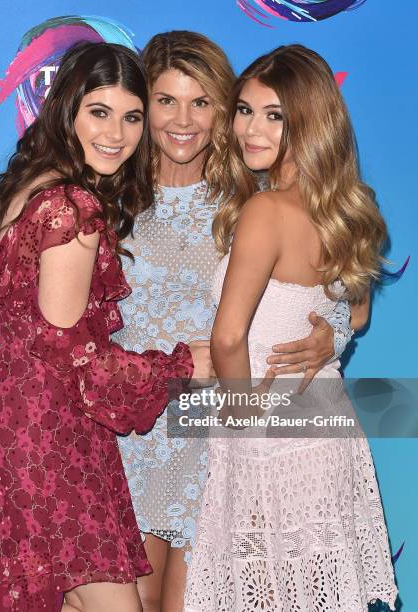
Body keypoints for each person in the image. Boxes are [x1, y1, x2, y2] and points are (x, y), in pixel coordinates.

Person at [0, 42, 213, 612]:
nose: (117, 134)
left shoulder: (32, 186)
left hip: (23, 428)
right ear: (68, 110)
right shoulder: (71, 208)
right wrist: (180, 366)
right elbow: (71, 354)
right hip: (46, 442)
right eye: (99, 112)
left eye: (131, 117)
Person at [115, 32, 354, 612]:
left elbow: (342, 285)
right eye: (166, 100)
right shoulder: (112, 201)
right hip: (131, 442)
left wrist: (332, 332)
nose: (183, 120)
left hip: (216, 444)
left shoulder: (245, 198)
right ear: (144, 108)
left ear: (222, 110)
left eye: (201, 102)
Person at [184, 44, 398, 611]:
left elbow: (229, 338)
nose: (251, 129)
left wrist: (238, 421)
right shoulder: (349, 207)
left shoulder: (266, 211)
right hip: (325, 430)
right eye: (245, 110)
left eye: (274, 115)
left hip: (266, 436)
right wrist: (330, 339)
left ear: (308, 120)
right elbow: (355, 316)